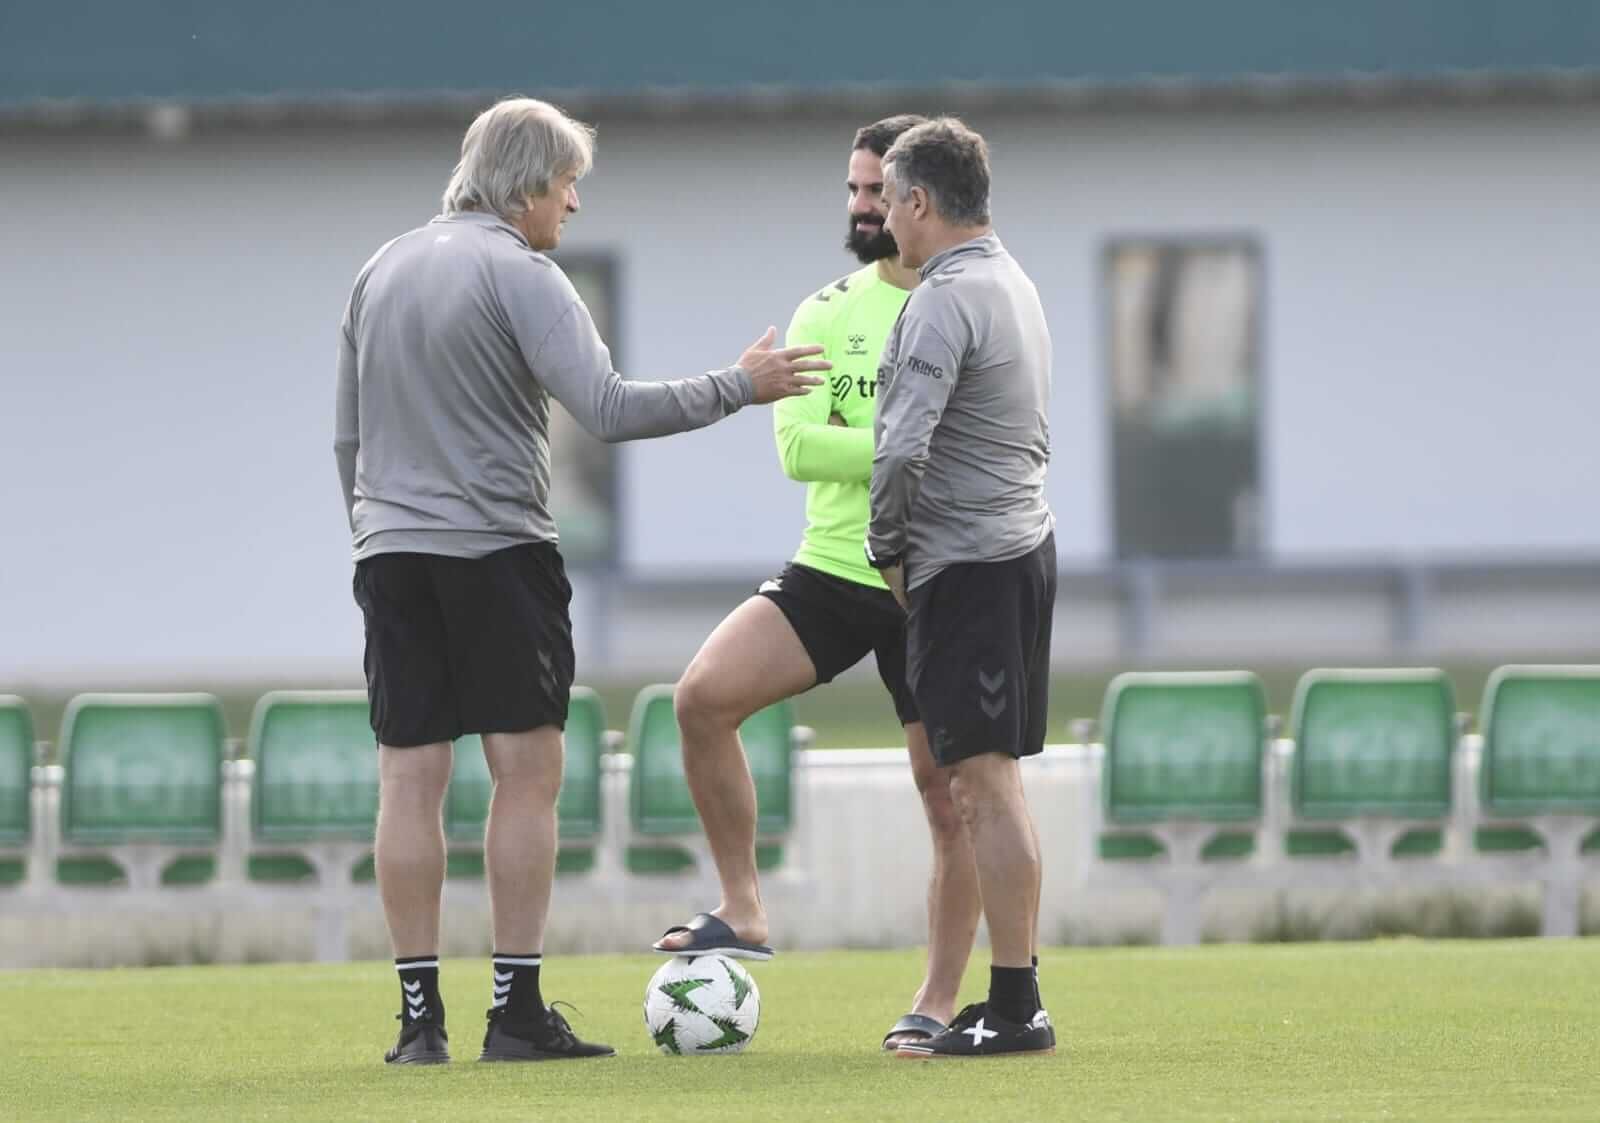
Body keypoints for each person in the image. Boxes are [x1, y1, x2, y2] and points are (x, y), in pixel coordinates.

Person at [333, 96, 828, 1066]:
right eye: (567, 185)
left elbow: (346, 438)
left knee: (410, 777)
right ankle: (514, 1013)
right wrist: (742, 384)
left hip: (389, 554)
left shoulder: (378, 269)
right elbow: (604, 409)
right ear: (523, 186)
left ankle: (417, 1025)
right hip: (497, 553)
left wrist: (371, 531)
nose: (572, 205)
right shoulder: (525, 275)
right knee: (525, 777)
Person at [652, 115, 985, 1052]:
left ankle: (938, 999)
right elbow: (798, 449)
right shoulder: (823, 311)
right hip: (835, 570)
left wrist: (906, 449)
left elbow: (965, 450)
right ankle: (744, 906)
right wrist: (904, 441)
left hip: (931, 578)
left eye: (877, 191)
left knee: (947, 792)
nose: (861, 206)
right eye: (851, 190)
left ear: (919, 197)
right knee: (702, 698)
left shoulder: (967, 301)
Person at [866, 117, 1057, 1058]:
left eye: (891, 201)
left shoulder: (945, 298)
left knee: (979, 785)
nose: (885, 221)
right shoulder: (1013, 282)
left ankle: (1017, 1008)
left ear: (921, 202)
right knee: (994, 781)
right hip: (1019, 553)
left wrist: (889, 553)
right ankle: (1013, 994)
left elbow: (900, 446)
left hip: (970, 568)